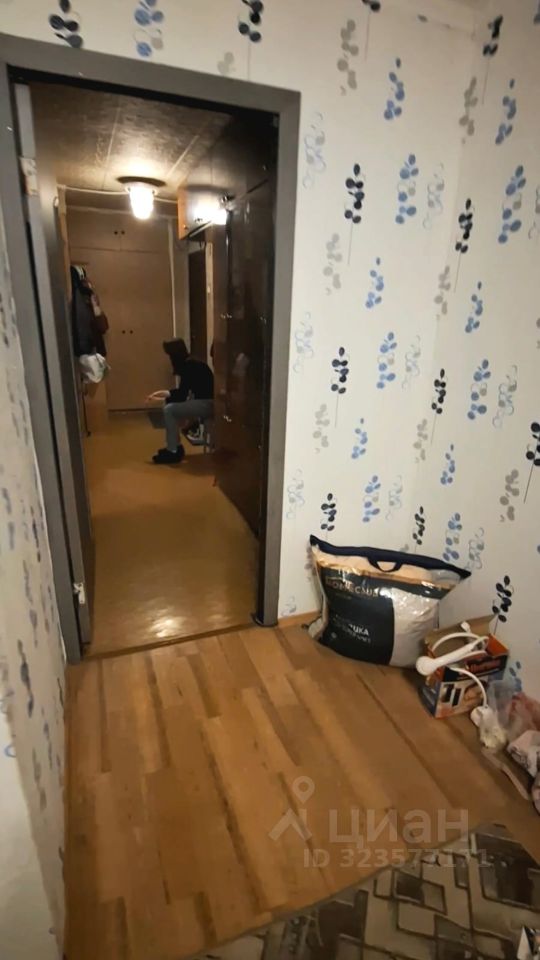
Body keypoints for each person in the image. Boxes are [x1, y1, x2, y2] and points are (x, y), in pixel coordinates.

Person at [146, 339, 214, 464]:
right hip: (206, 402)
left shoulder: (189, 366)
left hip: (207, 403)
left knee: (169, 409)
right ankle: (174, 446)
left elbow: (181, 395)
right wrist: (160, 394)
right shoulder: (192, 364)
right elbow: (181, 393)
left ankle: (173, 449)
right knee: (170, 408)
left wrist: (160, 398)